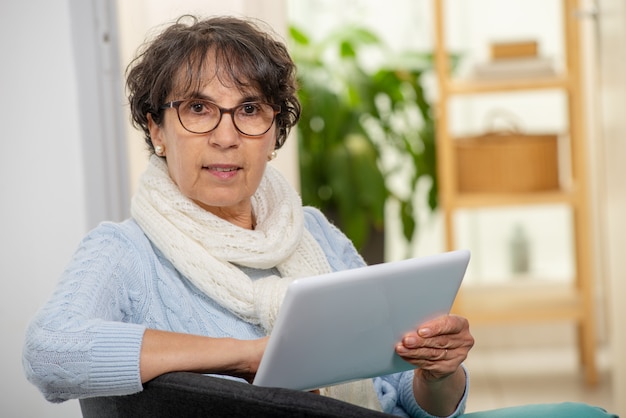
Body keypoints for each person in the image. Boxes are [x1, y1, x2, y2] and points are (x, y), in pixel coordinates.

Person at [22, 15, 615, 418]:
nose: (226, 136)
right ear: (156, 128)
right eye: (198, 109)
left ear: (274, 130)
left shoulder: (312, 232)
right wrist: (248, 355)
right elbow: (51, 353)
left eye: (250, 109)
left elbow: (401, 401)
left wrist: (438, 373)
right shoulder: (125, 252)